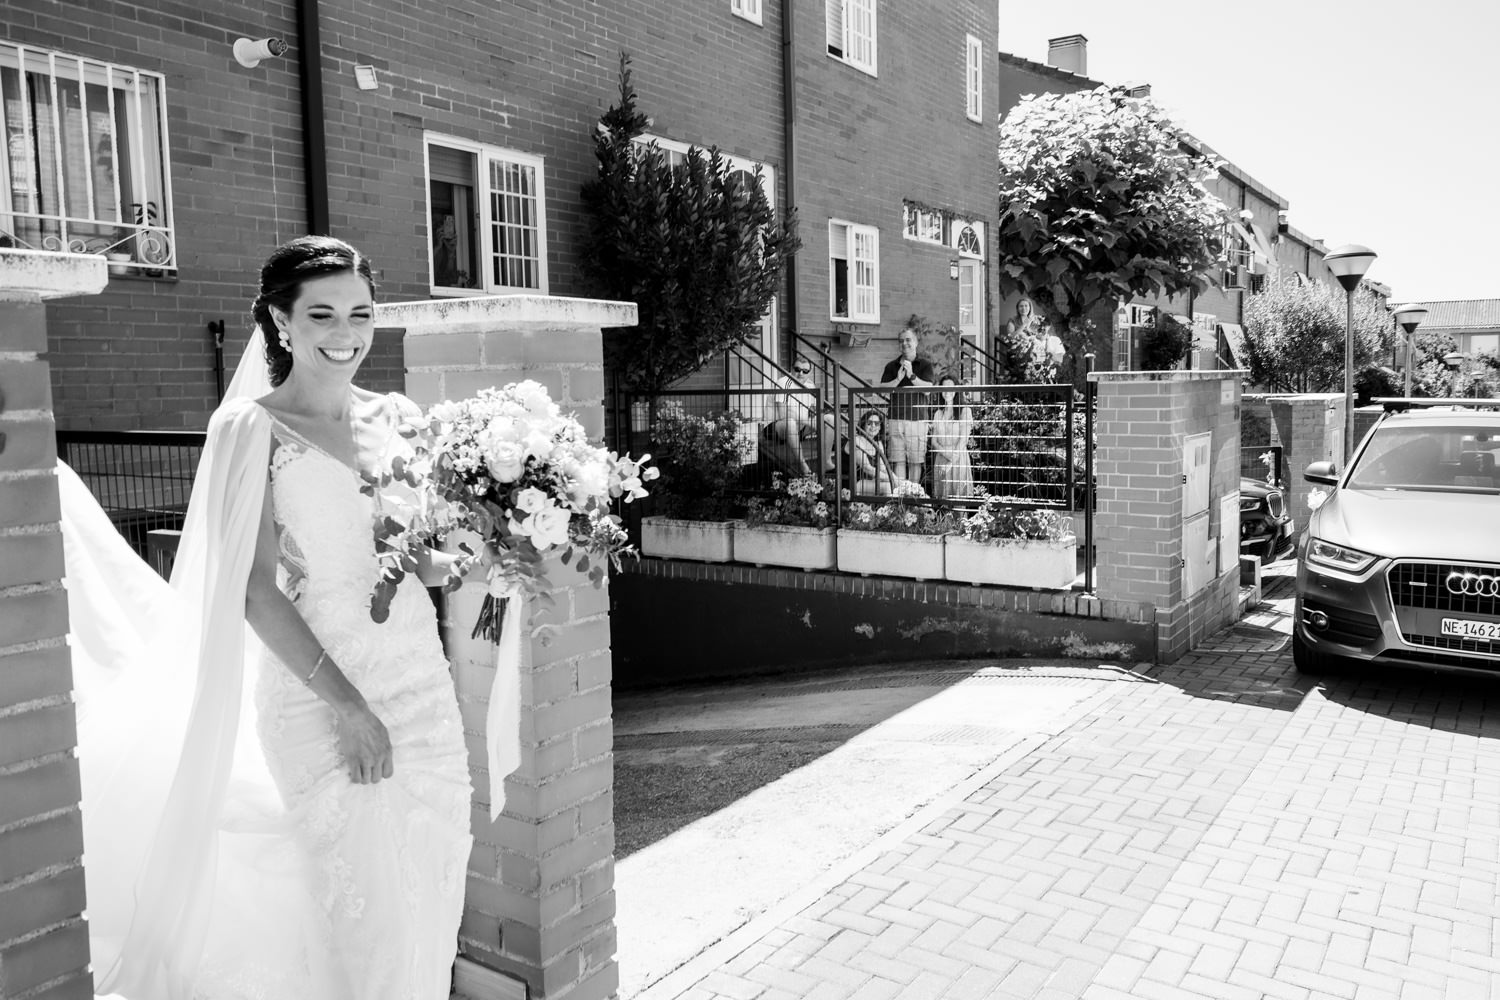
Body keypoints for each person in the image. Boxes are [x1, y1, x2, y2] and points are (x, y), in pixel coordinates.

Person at [65, 236, 495, 999]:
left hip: (422, 690)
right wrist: (351, 708)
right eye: (322, 314)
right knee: (365, 917)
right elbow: (255, 591)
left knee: (430, 891)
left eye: (360, 314)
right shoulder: (249, 432)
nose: (345, 333)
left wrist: (477, 558)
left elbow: (413, 561)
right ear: (280, 321)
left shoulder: (398, 419)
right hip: (323, 700)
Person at [878, 327, 934, 482]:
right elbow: (882, 389)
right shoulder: (891, 366)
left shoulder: (925, 365)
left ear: (915, 342)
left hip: (917, 419)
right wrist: (898, 379)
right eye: (901, 340)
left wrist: (911, 376)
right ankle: (901, 496)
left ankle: (913, 494)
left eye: (908, 340)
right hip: (895, 418)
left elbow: (929, 390)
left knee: (915, 461)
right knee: (898, 460)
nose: (904, 343)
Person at [928, 374, 974, 500]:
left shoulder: (965, 411)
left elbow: (963, 440)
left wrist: (951, 461)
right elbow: (934, 441)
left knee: (959, 502)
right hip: (942, 458)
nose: (947, 392)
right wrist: (946, 454)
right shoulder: (938, 413)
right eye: (943, 388)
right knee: (943, 501)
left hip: (959, 458)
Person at [849, 408, 898, 496]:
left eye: (877, 423)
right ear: (863, 424)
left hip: (869, 482)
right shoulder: (856, 440)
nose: (873, 426)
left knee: (898, 485)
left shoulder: (878, 443)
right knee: (888, 486)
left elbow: (883, 467)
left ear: (880, 427)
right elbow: (867, 468)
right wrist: (891, 479)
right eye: (869, 423)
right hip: (854, 482)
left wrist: (898, 480)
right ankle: (889, 509)